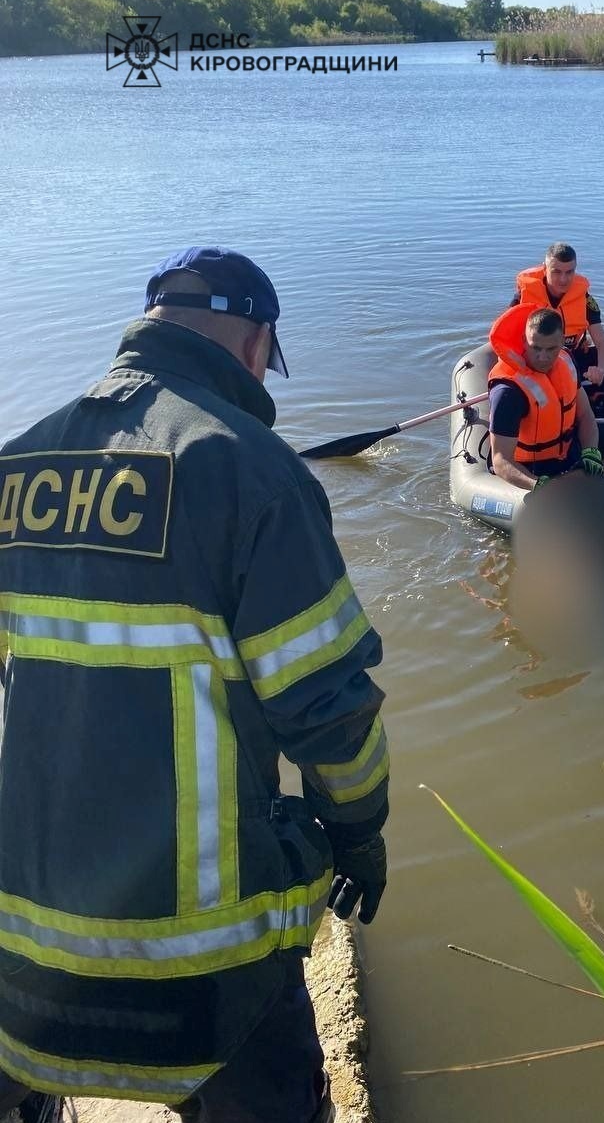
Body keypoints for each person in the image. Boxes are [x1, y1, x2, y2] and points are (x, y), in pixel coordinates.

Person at [0, 246, 389, 1123]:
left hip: (26, 953)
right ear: (255, 343)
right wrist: (360, 830)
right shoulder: (254, 472)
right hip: (209, 975)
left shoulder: (17, 466)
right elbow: (330, 710)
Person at [487, 305, 604, 491]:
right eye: (536, 348)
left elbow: (585, 415)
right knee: (583, 476)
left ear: (562, 342)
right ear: (524, 341)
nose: (542, 357)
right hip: (532, 466)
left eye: (551, 349)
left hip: (566, 445)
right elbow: (501, 460)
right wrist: (599, 472)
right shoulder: (508, 391)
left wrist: (591, 452)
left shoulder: (566, 361)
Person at [510, 243, 604, 406]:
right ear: (545, 268)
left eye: (569, 272)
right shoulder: (524, 296)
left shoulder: (584, 299)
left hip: (572, 359)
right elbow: (508, 340)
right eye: (556, 272)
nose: (563, 279)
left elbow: (602, 343)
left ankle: (597, 401)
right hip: (540, 361)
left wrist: (601, 371)